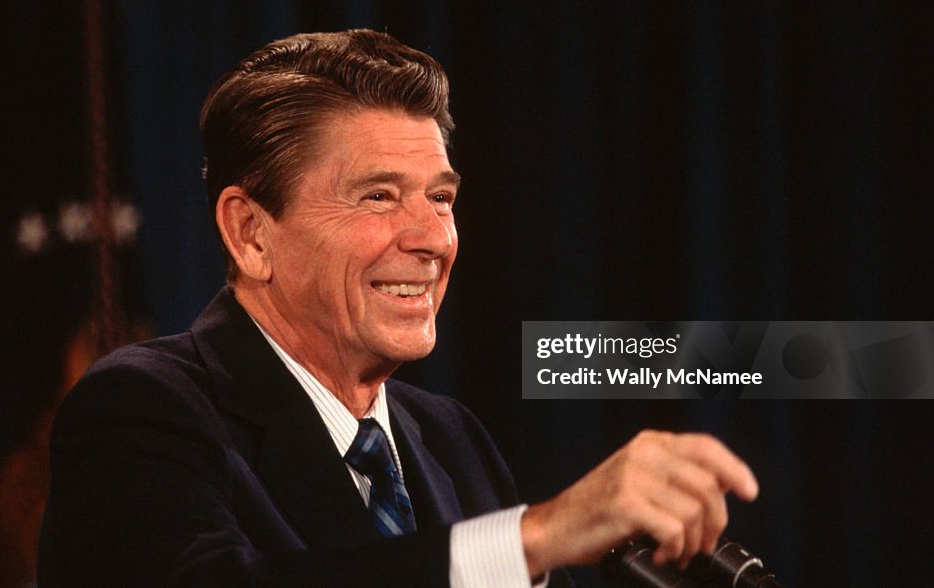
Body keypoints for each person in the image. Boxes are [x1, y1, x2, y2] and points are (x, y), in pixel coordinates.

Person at [38, 29, 758, 587]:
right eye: (379, 195)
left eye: (441, 198)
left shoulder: (450, 439)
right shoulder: (140, 409)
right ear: (251, 233)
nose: (431, 239)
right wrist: (536, 535)